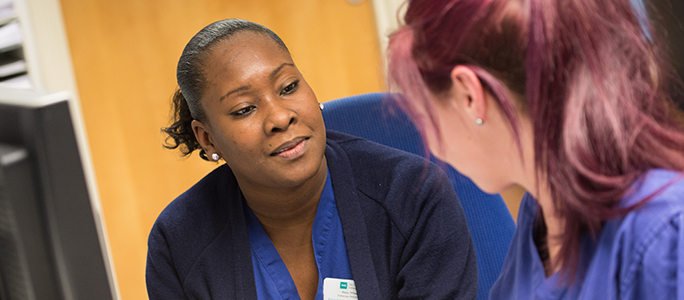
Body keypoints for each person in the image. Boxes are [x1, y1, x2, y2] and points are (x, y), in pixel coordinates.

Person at [146, 19, 477, 300]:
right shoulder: (179, 243)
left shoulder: (412, 196)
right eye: (245, 108)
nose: (280, 116)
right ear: (207, 138)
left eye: (289, 87)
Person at [387, 0, 684, 299]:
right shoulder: (542, 208)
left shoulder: (665, 234)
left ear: (469, 95)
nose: (432, 143)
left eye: (424, 114)